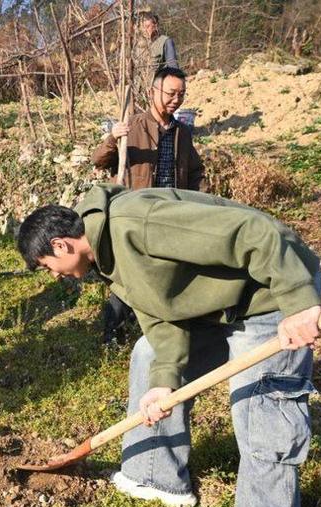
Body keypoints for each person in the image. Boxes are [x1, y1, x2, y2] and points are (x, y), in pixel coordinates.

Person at [17, 184, 321, 507]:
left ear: (61, 245)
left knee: (261, 418)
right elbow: (160, 318)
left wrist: (297, 300)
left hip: (270, 297)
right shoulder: (106, 260)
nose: (57, 277)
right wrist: (164, 380)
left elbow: (253, 232)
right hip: (218, 309)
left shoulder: (138, 224)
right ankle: (155, 476)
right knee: (149, 355)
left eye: (48, 268)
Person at [92, 67, 205, 343]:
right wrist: (112, 139)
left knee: (163, 275)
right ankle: (114, 334)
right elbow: (99, 161)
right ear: (154, 92)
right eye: (170, 93)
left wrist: (197, 203)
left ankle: (156, 332)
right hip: (138, 215)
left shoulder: (182, 133)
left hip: (171, 216)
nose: (176, 100)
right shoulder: (133, 126)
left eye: (181, 94)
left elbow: (195, 171)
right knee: (129, 277)